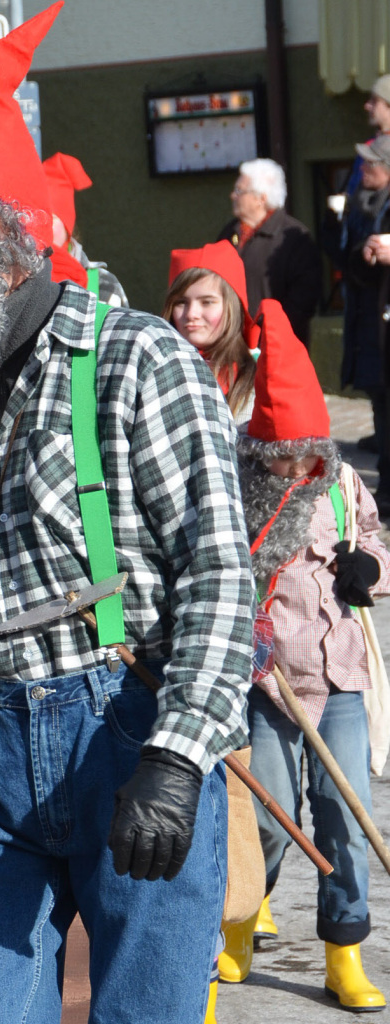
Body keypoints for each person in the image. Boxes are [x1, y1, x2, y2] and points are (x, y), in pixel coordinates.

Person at [0, 6, 255, 1024]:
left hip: (127, 733)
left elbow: (216, 570)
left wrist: (175, 755)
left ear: (24, 232)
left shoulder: (137, 360)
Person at [227, 299, 389, 1011]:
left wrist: (372, 568)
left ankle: (342, 950)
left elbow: (375, 539)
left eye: (309, 449)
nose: (299, 463)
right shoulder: (237, 494)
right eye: (283, 451)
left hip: (338, 676)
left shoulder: (343, 484)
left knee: (343, 817)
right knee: (263, 816)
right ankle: (235, 929)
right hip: (265, 682)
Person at [323, 134, 390, 513]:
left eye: (373, 164)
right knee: (379, 402)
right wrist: (335, 221)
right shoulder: (361, 206)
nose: (364, 170)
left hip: (383, 317)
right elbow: (345, 263)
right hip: (368, 319)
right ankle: (385, 481)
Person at [217, 158, 321, 347]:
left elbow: (304, 300)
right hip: (232, 344)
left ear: (261, 198)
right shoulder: (229, 233)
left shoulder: (294, 239)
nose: (233, 195)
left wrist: (270, 333)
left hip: (276, 346)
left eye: (240, 191)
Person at [163, 240, 258, 424]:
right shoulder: (155, 369)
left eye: (207, 302)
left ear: (233, 307)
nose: (191, 314)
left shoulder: (255, 382)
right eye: (181, 302)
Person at [42, 151, 129, 306]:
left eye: (52, 218)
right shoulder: (14, 280)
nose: (43, 226)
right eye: (37, 218)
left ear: (67, 223)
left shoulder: (103, 285)